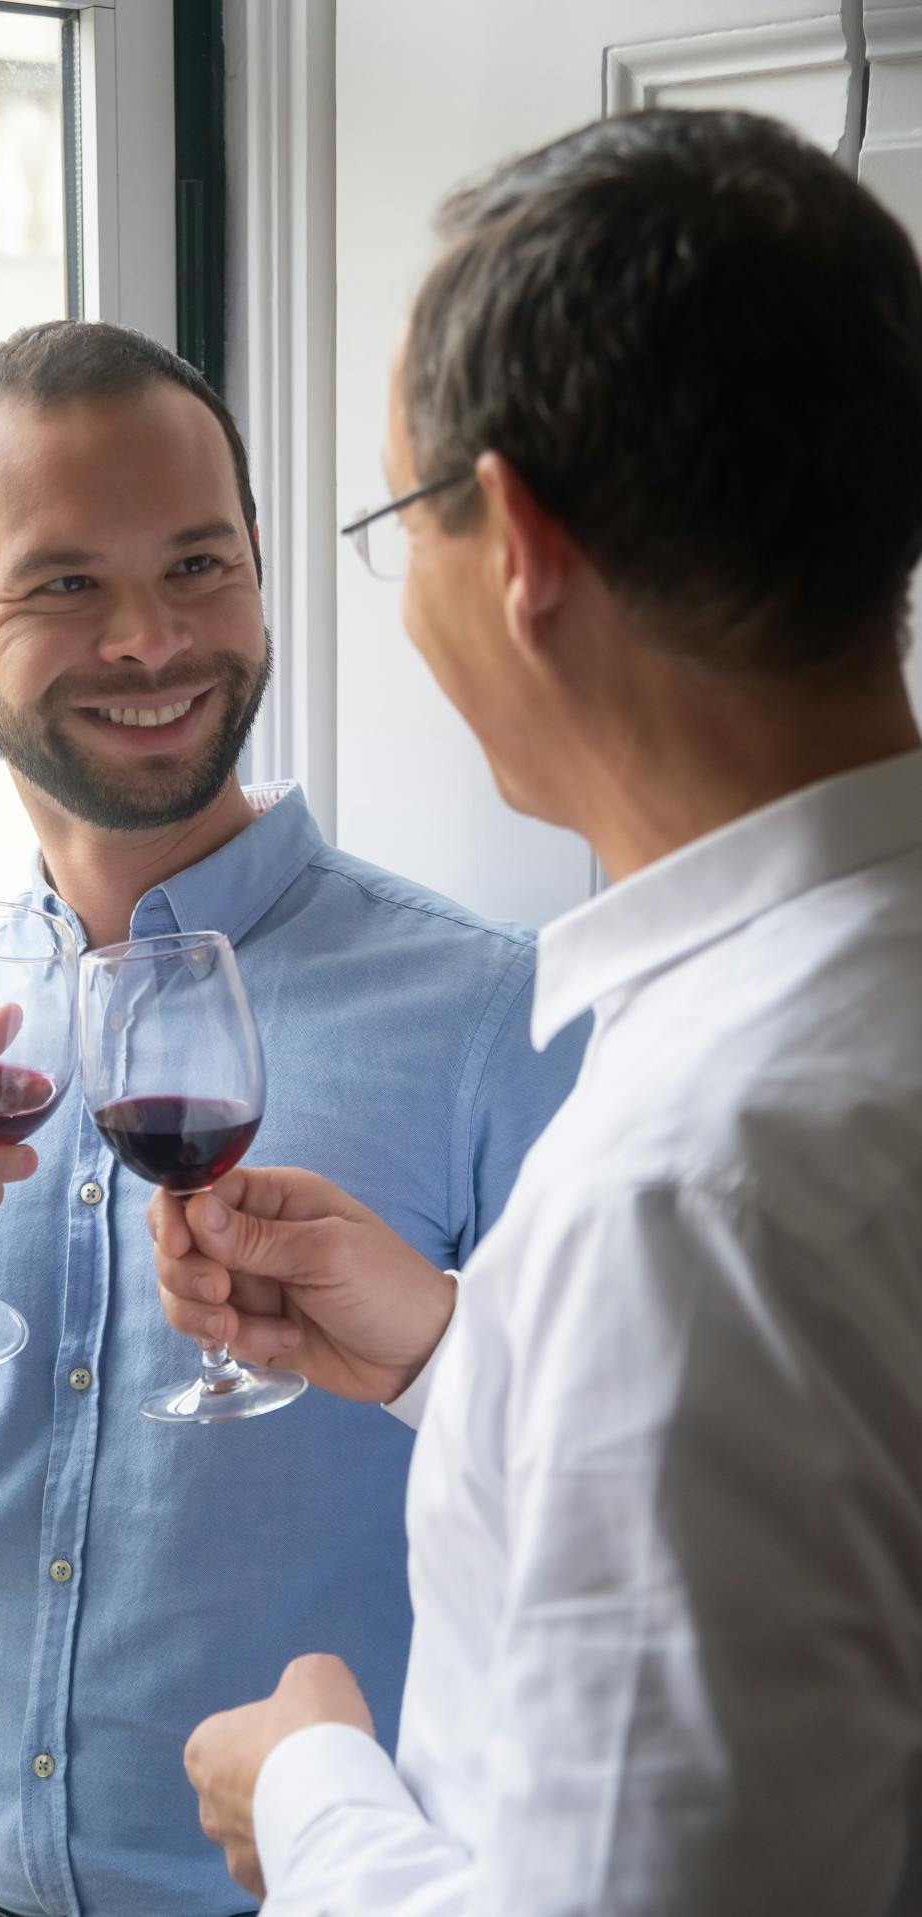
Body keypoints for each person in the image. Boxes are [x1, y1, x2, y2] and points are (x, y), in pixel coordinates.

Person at [0, 320, 585, 1917]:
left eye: (200, 564)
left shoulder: (499, 1021)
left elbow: (648, 1541)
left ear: (264, 567)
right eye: (65, 583)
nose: (153, 640)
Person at [152, 109, 922, 1914]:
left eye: (388, 517)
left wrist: (313, 1790)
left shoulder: (689, 1189)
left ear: (512, 538)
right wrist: (457, 1352)